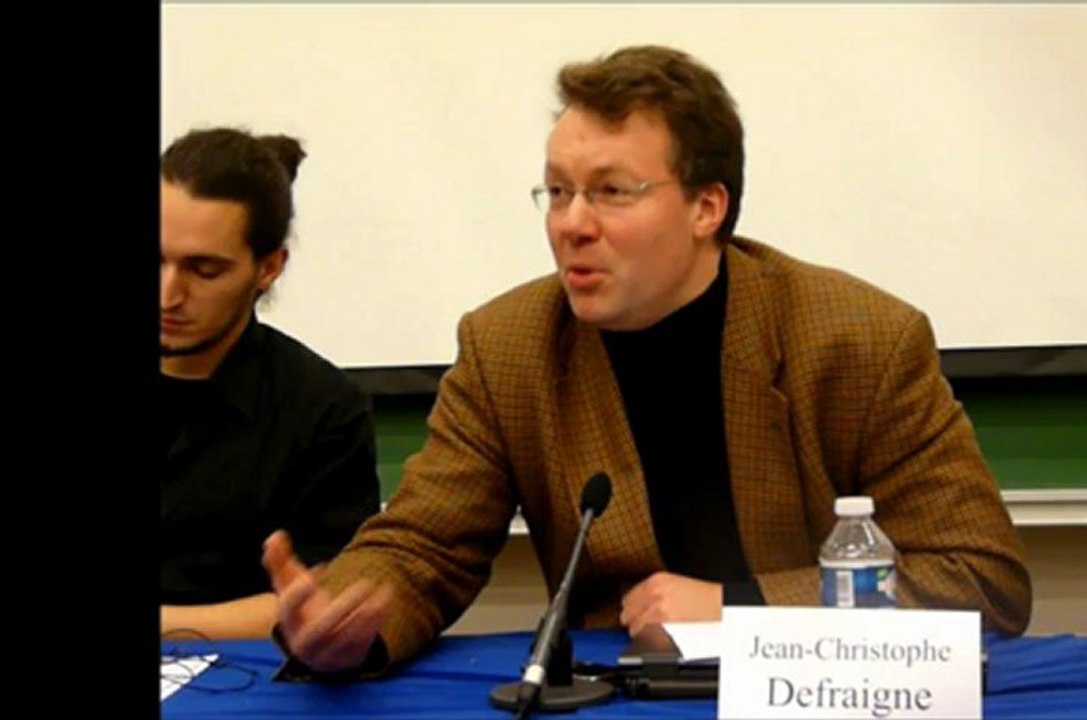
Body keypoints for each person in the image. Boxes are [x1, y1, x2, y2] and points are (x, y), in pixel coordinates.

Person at [263, 45, 1032, 676]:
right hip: (621, 695)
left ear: (706, 207)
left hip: (820, 695)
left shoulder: (856, 339)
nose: (571, 224)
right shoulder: (510, 346)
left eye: (610, 193)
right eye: (557, 192)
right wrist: (347, 614)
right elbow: (423, 545)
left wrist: (742, 609)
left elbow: (980, 580)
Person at [161, 127, 381, 639]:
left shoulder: (323, 410)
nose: (168, 295)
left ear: (269, 268)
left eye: (204, 270)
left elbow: (315, 606)